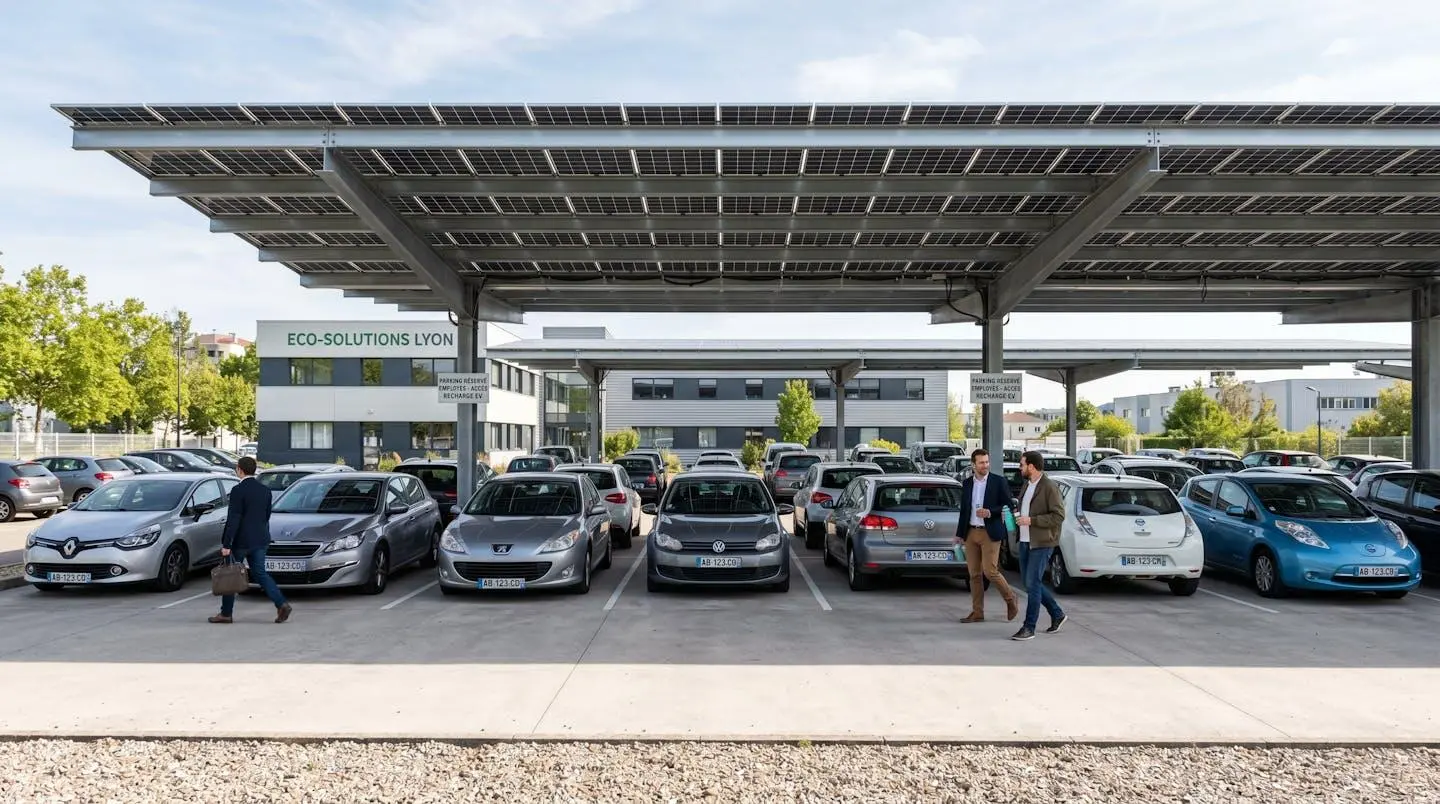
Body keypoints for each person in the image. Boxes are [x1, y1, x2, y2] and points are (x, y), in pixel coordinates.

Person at [209, 456, 292, 624]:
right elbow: (266, 516)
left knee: (230, 573)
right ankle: (281, 603)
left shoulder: (238, 490)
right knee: (260, 573)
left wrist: (226, 544)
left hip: (241, 541)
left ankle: (226, 613)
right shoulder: (265, 490)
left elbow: (234, 518)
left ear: (239, 470)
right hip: (261, 539)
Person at [955, 448, 1019, 623]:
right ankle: (977, 612)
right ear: (973, 464)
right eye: (981, 462)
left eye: (987, 462)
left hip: (990, 532)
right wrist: (959, 534)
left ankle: (1010, 598)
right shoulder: (967, 483)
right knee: (974, 574)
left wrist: (990, 512)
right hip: (971, 532)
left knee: (990, 572)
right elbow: (964, 511)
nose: (985, 465)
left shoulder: (998, 481)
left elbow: (1008, 505)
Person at [1011, 450, 1066, 641]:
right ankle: (1057, 613)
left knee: (1033, 583)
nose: (1020, 468)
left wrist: (1031, 521)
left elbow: (1058, 516)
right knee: (1029, 583)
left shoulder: (1049, 487)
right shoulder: (1027, 485)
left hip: (1042, 542)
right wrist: (1015, 516)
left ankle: (1029, 627)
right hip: (1025, 541)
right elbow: (1024, 510)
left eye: (1022, 465)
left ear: (1031, 466)